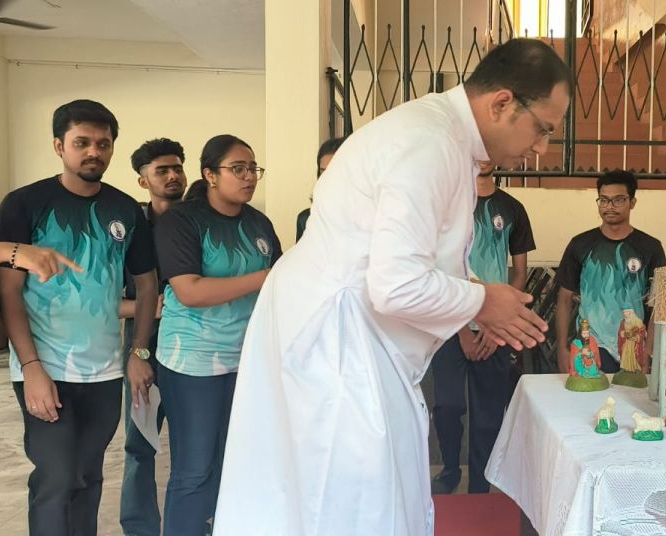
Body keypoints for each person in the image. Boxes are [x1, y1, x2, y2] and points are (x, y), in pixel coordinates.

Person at [214, 38, 570, 536]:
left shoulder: (442, 136)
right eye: (543, 129)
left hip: (343, 335)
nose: (542, 149)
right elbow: (395, 284)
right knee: (350, 505)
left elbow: (416, 258)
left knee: (341, 498)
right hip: (337, 346)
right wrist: (482, 300)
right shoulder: (431, 143)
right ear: (502, 103)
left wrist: (476, 296)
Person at [0, 99, 159, 536]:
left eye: (103, 144)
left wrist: (138, 351)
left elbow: (146, 285)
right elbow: (8, 291)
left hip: (104, 370)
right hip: (45, 366)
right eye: (82, 142)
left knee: (88, 476)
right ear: (58, 146)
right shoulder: (25, 203)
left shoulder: (126, 209)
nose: (94, 152)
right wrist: (31, 367)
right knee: (57, 478)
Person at [155, 135, 281, 534]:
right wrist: (263, 277)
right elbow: (189, 292)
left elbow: (280, 286)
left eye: (253, 169)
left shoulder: (258, 223)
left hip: (247, 359)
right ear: (210, 175)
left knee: (236, 464)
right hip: (194, 361)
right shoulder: (182, 221)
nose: (249, 177)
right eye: (237, 169)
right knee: (195, 469)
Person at [430, 161, 535, 495]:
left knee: (489, 414)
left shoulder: (513, 208)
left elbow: (519, 274)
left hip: (496, 331)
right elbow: (439, 266)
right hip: (450, 325)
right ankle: (449, 470)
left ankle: (480, 486)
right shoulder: (449, 204)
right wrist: (463, 328)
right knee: (447, 406)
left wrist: (497, 326)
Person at [119, 138, 187, 536]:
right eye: (162, 170)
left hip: (194, 349)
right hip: (142, 350)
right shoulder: (129, 229)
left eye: (177, 168)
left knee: (193, 445)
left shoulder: (199, 222)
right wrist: (148, 307)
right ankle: (139, 528)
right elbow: (106, 301)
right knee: (139, 444)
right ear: (143, 181)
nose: (173, 175)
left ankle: (194, 522)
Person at [555, 170, 666, 376]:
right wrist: (561, 349)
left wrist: (648, 350)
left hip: (634, 346)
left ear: (632, 202)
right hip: (591, 347)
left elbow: (658, 305)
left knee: (630, 398)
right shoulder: (580, 244)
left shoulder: (650, 247)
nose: (609, 206)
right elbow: (564, 298)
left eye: (618, 200)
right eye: (604, 200)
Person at [296, 137, 346, 241]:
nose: (327, 178)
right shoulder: (306, 219)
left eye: (333, 171)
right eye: (323, 171)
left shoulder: (366, 218)